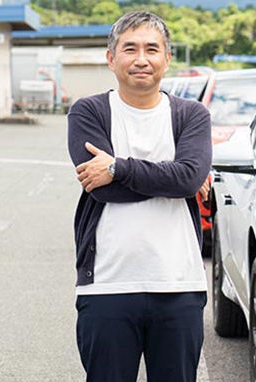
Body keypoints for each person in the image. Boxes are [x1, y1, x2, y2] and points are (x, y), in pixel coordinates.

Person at [66, 11, 212, 382]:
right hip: (107, 285)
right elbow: (106, 188)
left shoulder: (191, 115)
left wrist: (117, 167)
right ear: (111, 57)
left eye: (152, 49)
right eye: (129, 49)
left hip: (178, 284)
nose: (141, 59)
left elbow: (187, 178)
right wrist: (173, 177)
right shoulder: (90, 111)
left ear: (167, 57)